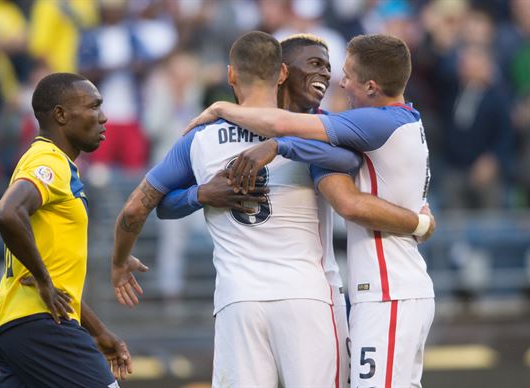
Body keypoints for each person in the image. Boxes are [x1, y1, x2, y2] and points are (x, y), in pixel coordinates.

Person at [158, 33, 435, 388]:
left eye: (345, 74)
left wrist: (223, 110)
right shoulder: (378, 123)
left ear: (370, 85)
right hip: (377, 292)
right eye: (324, 67)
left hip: (383, 291)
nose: (340, 82)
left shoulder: (376, 122)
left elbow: (343, 197)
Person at [0, 73, 131, 387]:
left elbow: (56, 281)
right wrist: (42, 280)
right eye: (93, 107)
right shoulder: (49, 161)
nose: (103, 117)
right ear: (61, 115)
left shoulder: (50, 162)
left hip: (11, 325)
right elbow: (7, 212)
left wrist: (98, 330)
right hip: (41, 324)